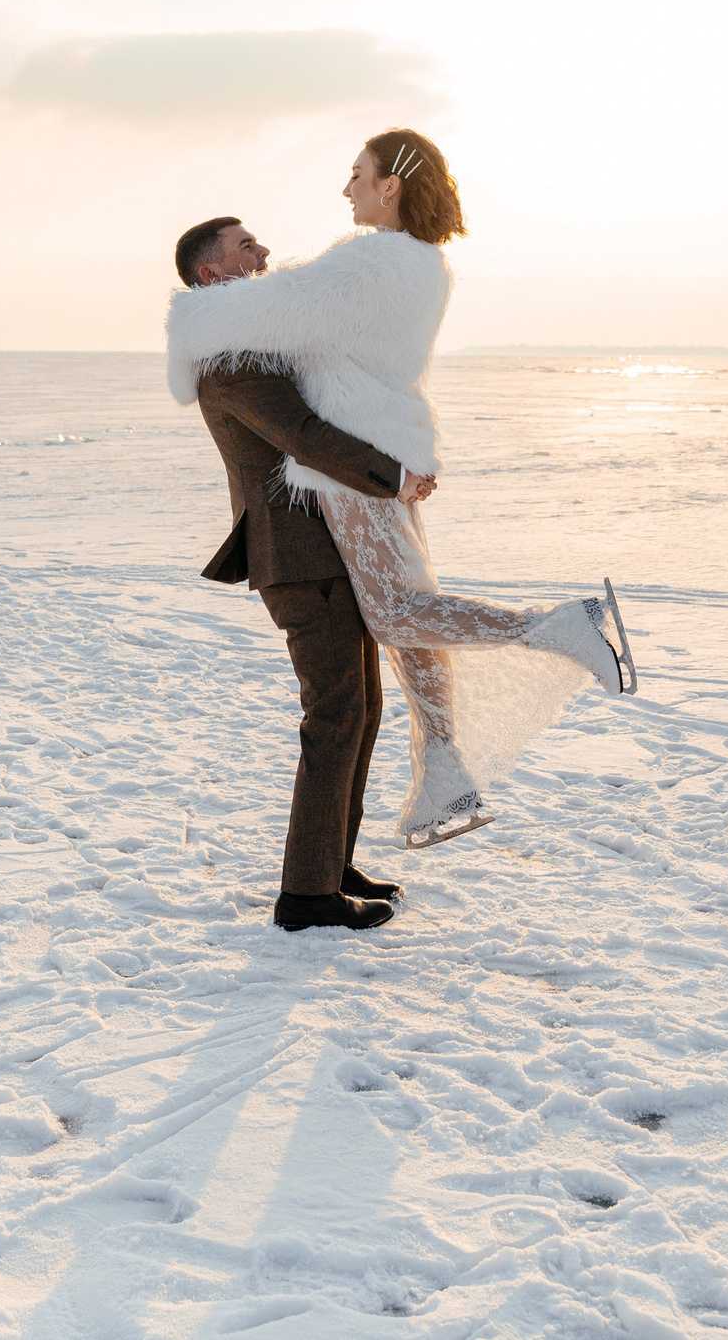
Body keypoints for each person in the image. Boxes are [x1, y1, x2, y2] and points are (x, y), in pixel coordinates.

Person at [167, 130, 635, 854]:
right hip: (393, 446)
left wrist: (186, 321)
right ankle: (443, 770)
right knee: (411, 620)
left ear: (391, 186)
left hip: (357, 460)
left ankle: (556, 628)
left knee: (393, 611)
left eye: (357, 175)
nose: (346, 188)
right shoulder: (425, 264)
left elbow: (277, 304)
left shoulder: (370, 260)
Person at [175, 214, 434, 932]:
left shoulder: (259, 342)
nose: (262, 252)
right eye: (245, 246)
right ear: (213, 275)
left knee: (362, 708)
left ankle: (331, 863)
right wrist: (395, 475)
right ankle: (307, 897)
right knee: (334, 712)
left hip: (327, 551)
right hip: (297, 556)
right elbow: (304, 437)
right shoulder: (230, 356)